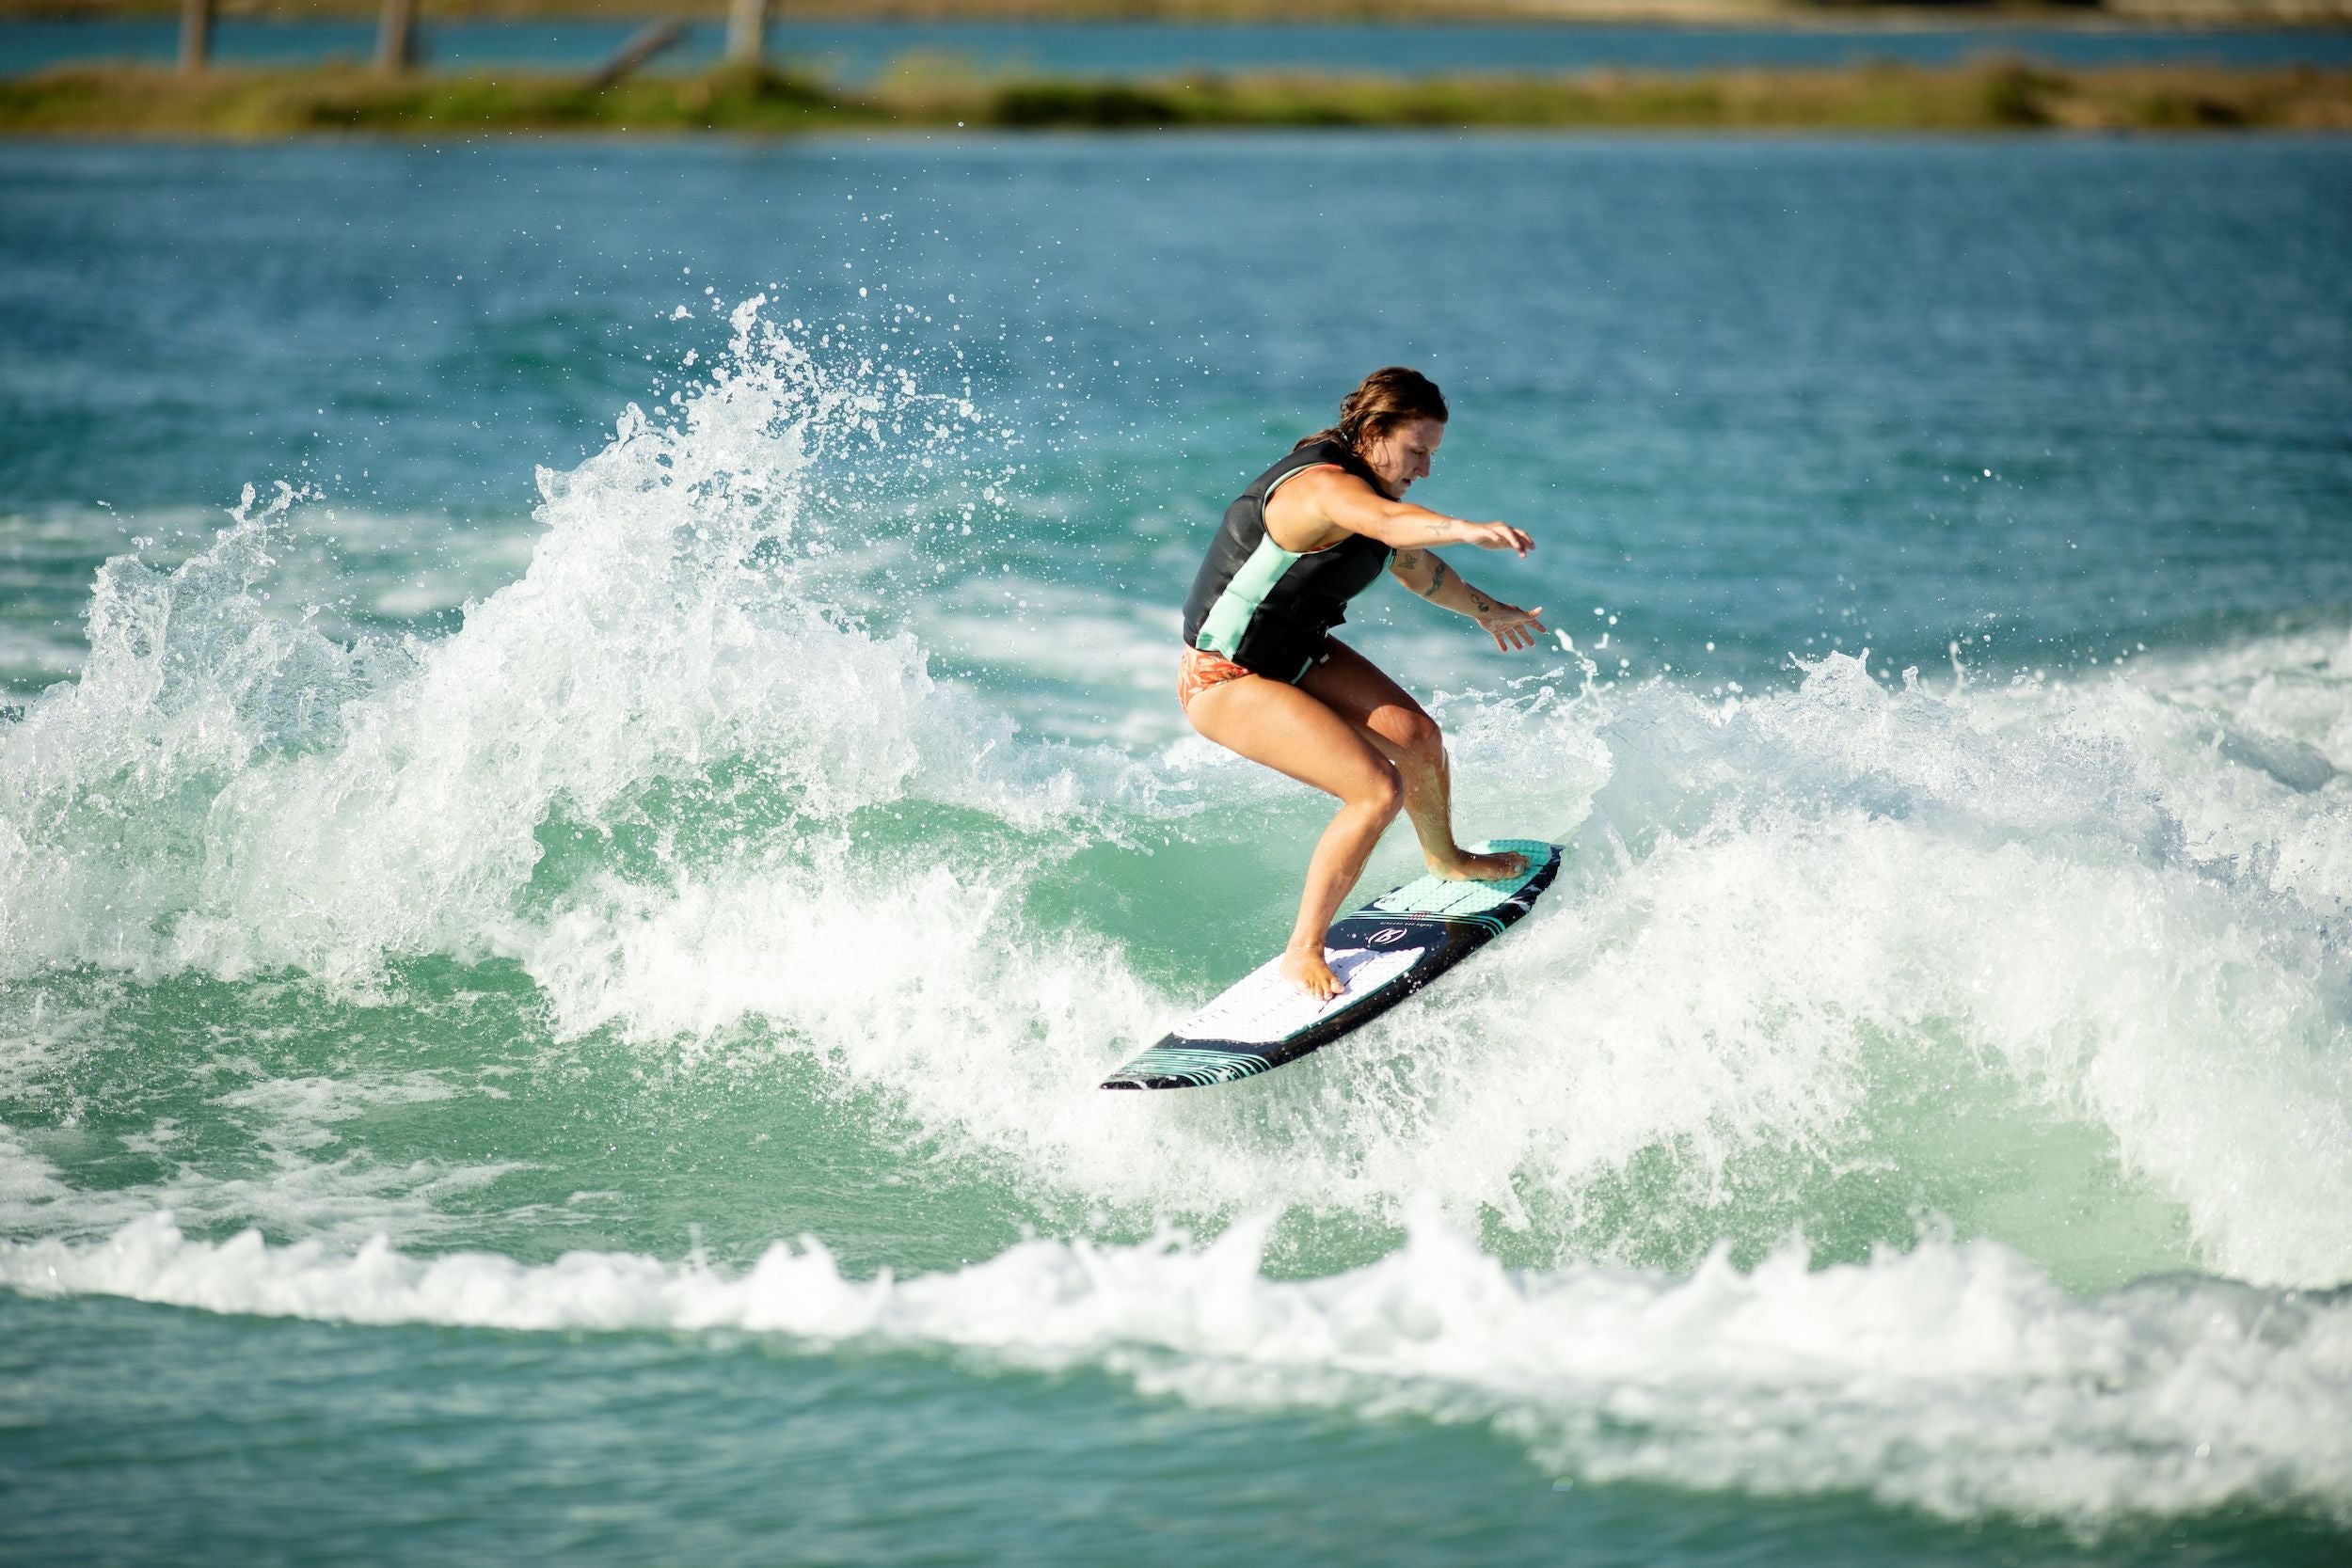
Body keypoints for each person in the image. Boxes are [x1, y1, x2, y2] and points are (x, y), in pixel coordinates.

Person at [1179, 367, 1548, 1001]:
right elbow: (1386, 522)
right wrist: (1463, 525)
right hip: (1224, 675)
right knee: (1377, 789)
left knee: (1417, 738)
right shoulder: (1323, 490)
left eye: (1432, 454)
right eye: (1418, 451)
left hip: (1293, 655)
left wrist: (1489, 611)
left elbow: (1420, 568)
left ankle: (1447, 858)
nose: (1425, 469)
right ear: (1374, 432)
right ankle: (1302, 951)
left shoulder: (1372, 495)